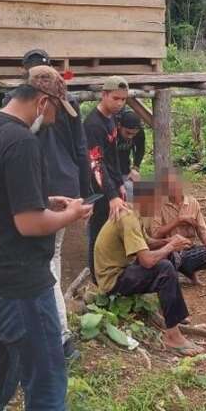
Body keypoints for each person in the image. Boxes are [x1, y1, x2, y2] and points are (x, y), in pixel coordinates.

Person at [0, 66, 94, 411]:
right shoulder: (22, 141)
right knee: (48, 382)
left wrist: (46, 201)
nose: (53, 121)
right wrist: (71, 214)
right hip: (20, 287)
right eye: (54, 112)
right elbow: (28, 224)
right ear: (41, 102)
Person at [6, 49, 90, 361]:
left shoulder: (21, 105)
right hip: (65, 186)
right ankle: (47, 332)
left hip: (40, 189)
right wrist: (84, 192)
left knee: (45, 263)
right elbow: (81, 150)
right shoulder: (71, 104)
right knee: (47, 259)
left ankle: (60, 338)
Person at [93, 180, 203, 356]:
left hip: (121, 270)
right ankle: (172, 337)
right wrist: (170, 246)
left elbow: (146, 242)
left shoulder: (135, 214)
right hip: (112, 280)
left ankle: (175, 317)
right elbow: (146, 261)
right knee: (164, 268)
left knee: (164, 258)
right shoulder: (128, 218)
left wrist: (167, 242)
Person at [148, 167, 206, 284]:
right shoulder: (158, 204)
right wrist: (178, 220)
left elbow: (203, 231)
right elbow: (155, 235)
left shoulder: (193, 202)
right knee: (171, 258)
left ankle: (188, 270)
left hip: (189, 250)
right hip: (170, 250)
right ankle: (174, 273)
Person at [83, 76, 129, 279]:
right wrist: (111, 196)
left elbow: (113, 156)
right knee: (98, 232)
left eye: (123, 99)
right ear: (104, 95)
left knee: (113, 230)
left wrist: (120, 183)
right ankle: (96, 278)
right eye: (116, 98)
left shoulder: (112, 119)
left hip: (110, 183)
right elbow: (96, 163)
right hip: (97, 188)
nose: (120, 103)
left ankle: (111, 272)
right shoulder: (93, 124)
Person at [116, 109, 147, 199]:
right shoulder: (111, 130)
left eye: (133, 134)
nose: (130, 136)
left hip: (125, 168)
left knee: (131, 194)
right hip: (108, 170)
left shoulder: (139, 132)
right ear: (119, 126)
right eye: (128, 133)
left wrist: (135, 167)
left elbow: (140, 149)